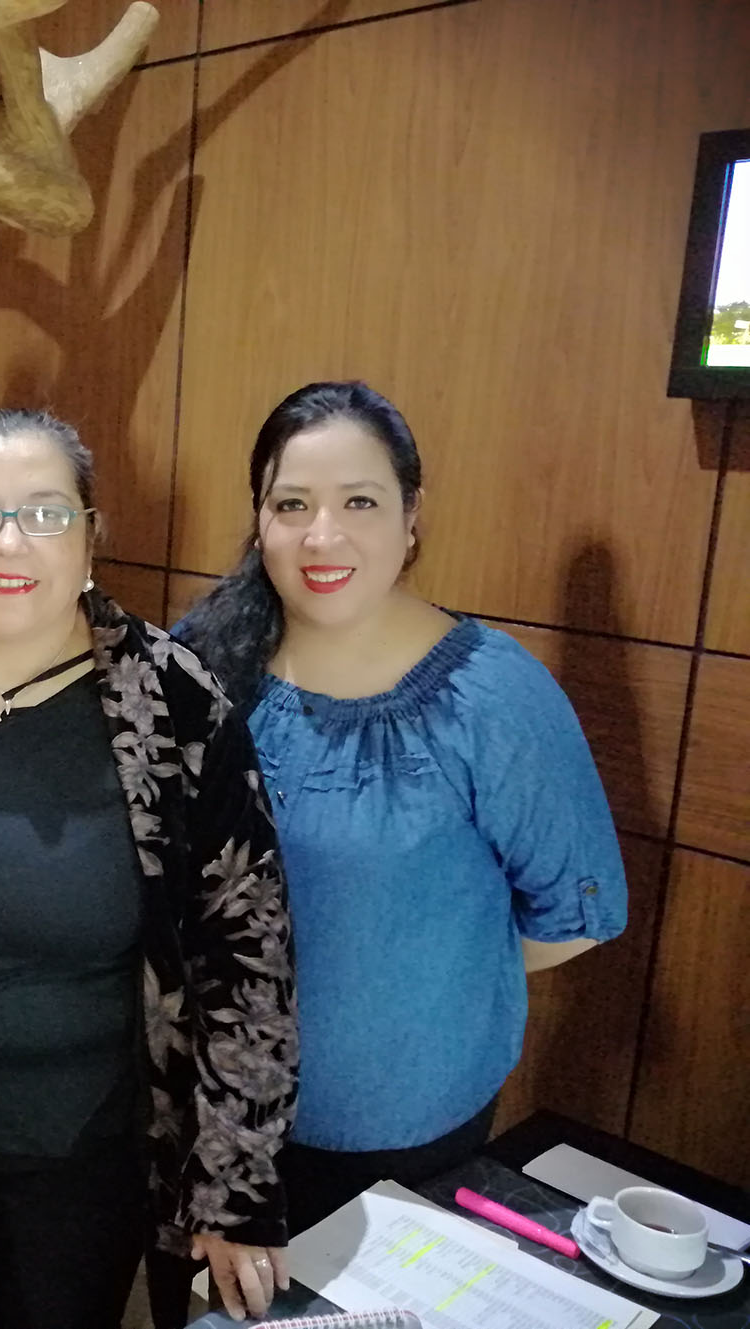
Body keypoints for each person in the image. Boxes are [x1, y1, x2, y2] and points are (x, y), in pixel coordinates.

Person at [0, 409, 299, 1329]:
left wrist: (237, 1186)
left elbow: (249, 954)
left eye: (44, 512)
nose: (9, 541)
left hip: (85, 1149)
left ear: (90, 538)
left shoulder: (173, 703)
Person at [173, 380, 629, 1233]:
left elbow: (576, 916)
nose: (323, 535)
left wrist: (411, 976)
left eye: (361, 501)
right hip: (203, 1109)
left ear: (412, 514)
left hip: (400, 1129)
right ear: (260, 520)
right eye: (292, 503)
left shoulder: (492, 695)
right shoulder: (200, 661)